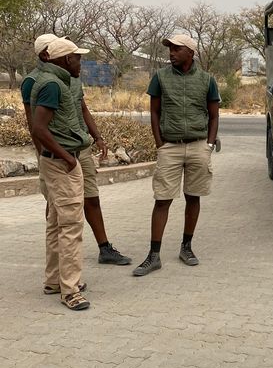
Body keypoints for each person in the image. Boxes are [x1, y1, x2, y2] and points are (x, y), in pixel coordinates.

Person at [21, 33, 132, 266]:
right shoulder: (35, 81)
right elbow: (35, 125)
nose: (72, 58)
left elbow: (82, 108)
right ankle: (61, 263)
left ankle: (105, 248)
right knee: (57, 208)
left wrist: (98, 137)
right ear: (46, 54)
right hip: (56, 152)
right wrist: (47, 156)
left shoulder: (71, 77)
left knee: (91, 197)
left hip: (78, 149)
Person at [132, 34, 220, 277]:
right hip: (169, 147)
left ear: (190, 53)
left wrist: (209, 145)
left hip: (198, 146)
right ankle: (153, 255)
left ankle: (186, 247)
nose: (171, 53)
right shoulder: (160, 77)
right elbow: (154, 112)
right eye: (170, 48)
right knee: (162, 199)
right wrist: (160, 144)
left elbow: (214, 115)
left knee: (193, 197)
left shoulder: (207, 80)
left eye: (176, 49)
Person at [30, 38, 93, 310]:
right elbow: (39, 129)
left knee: (57, 222)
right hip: (61, 163)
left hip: (56, 161)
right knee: (71, 226)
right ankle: (70, 290)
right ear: (67, 59)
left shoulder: (53, 81)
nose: (81, 62)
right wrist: (68, 158)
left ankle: (53, 280)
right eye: (77, 57)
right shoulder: (54, 85)